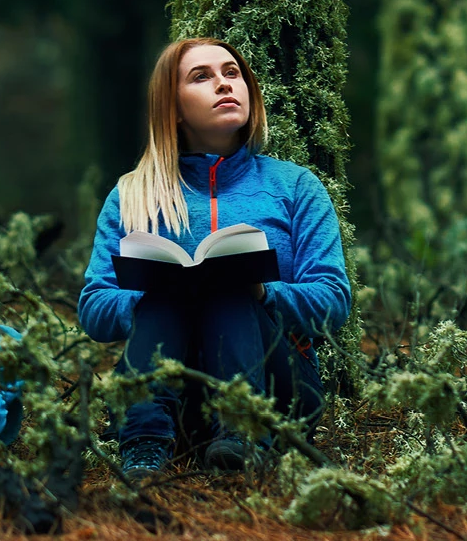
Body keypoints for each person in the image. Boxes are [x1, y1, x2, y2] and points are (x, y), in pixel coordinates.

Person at [78, 37, 349, 476]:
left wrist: (263, 292)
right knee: (165, 296)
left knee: (229, 288)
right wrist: (155, 294)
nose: (224, 84)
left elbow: (334, 300)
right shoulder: (133, 194)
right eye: (201, 77)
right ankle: (143, 444)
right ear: (175, 107)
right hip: (172, 393)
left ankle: (241, 436)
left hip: (279, 394)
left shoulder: (295, 187)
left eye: (232, 73)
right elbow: (93, 308)